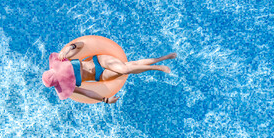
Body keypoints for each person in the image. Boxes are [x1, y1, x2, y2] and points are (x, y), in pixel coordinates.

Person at [43, 41, 176, 104]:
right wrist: (105, 100)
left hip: (99, 61)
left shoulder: (62, 60)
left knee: (125, 69)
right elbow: (86, 92)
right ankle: (162, 58)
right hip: (99, 76)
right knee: (130, 66)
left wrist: (68, 49)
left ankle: (158, 68)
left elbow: (81, 45)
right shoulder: (67, 88)